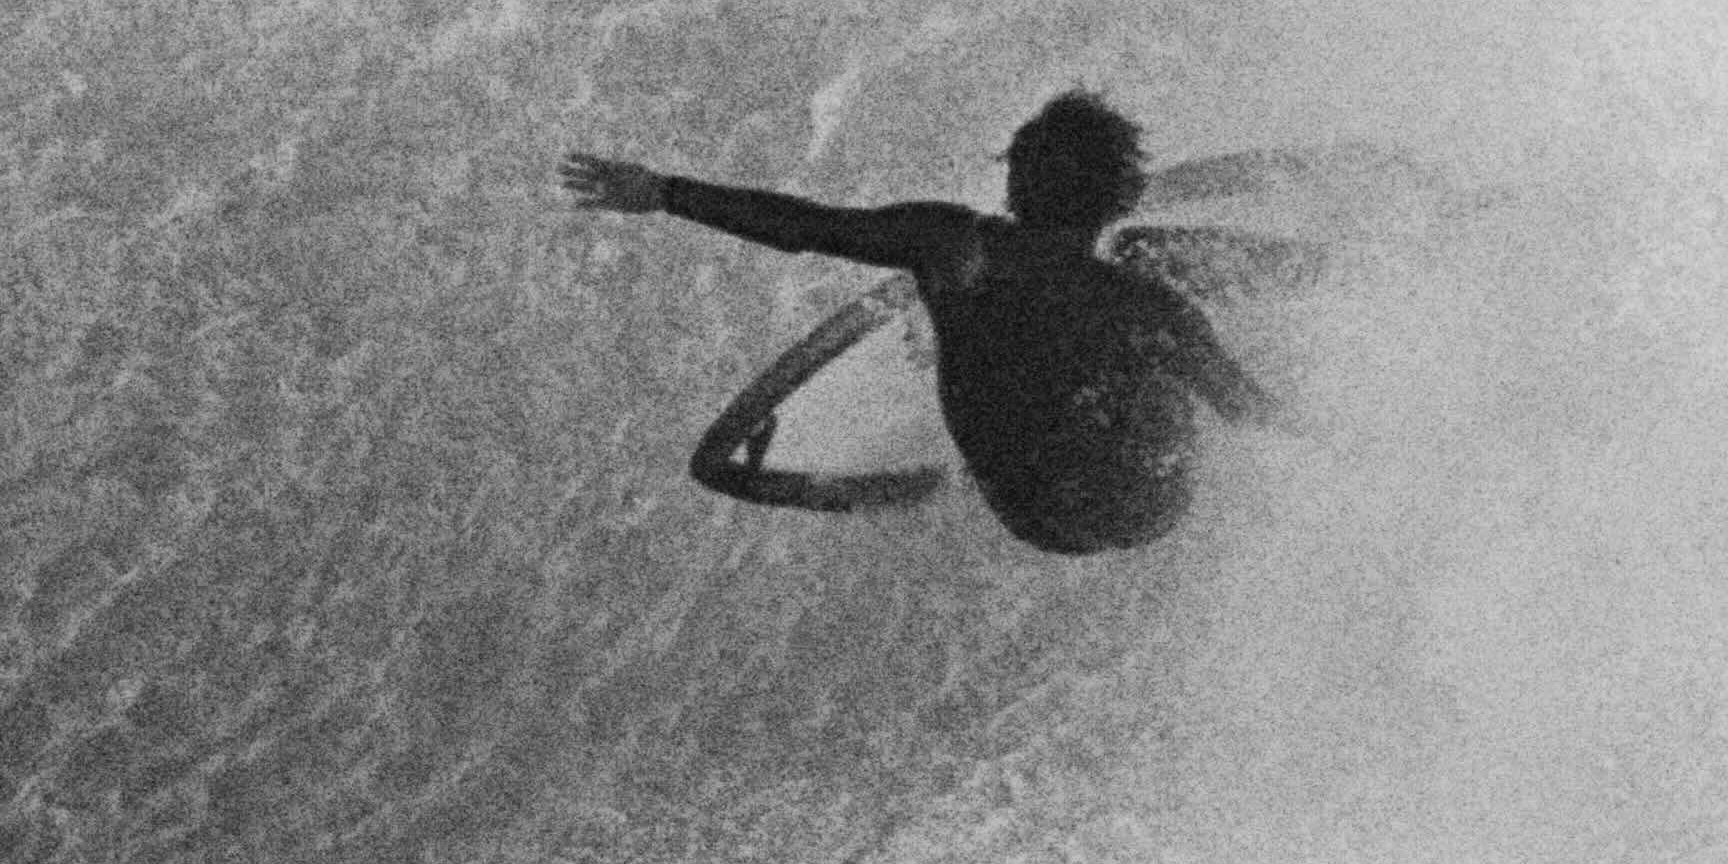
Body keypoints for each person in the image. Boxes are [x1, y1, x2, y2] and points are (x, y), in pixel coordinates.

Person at [555, 88, 1297, 555]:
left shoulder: (948, 245)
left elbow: (802, 226)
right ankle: (1313, 270)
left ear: (1013, 181)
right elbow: (1250, 411)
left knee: (984, 321)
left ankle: (963, 407)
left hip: (1031, 514)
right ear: (1123, 193)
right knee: (1146, 267)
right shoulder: (1147, 305)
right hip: (1144, 509)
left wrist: (663, 191)